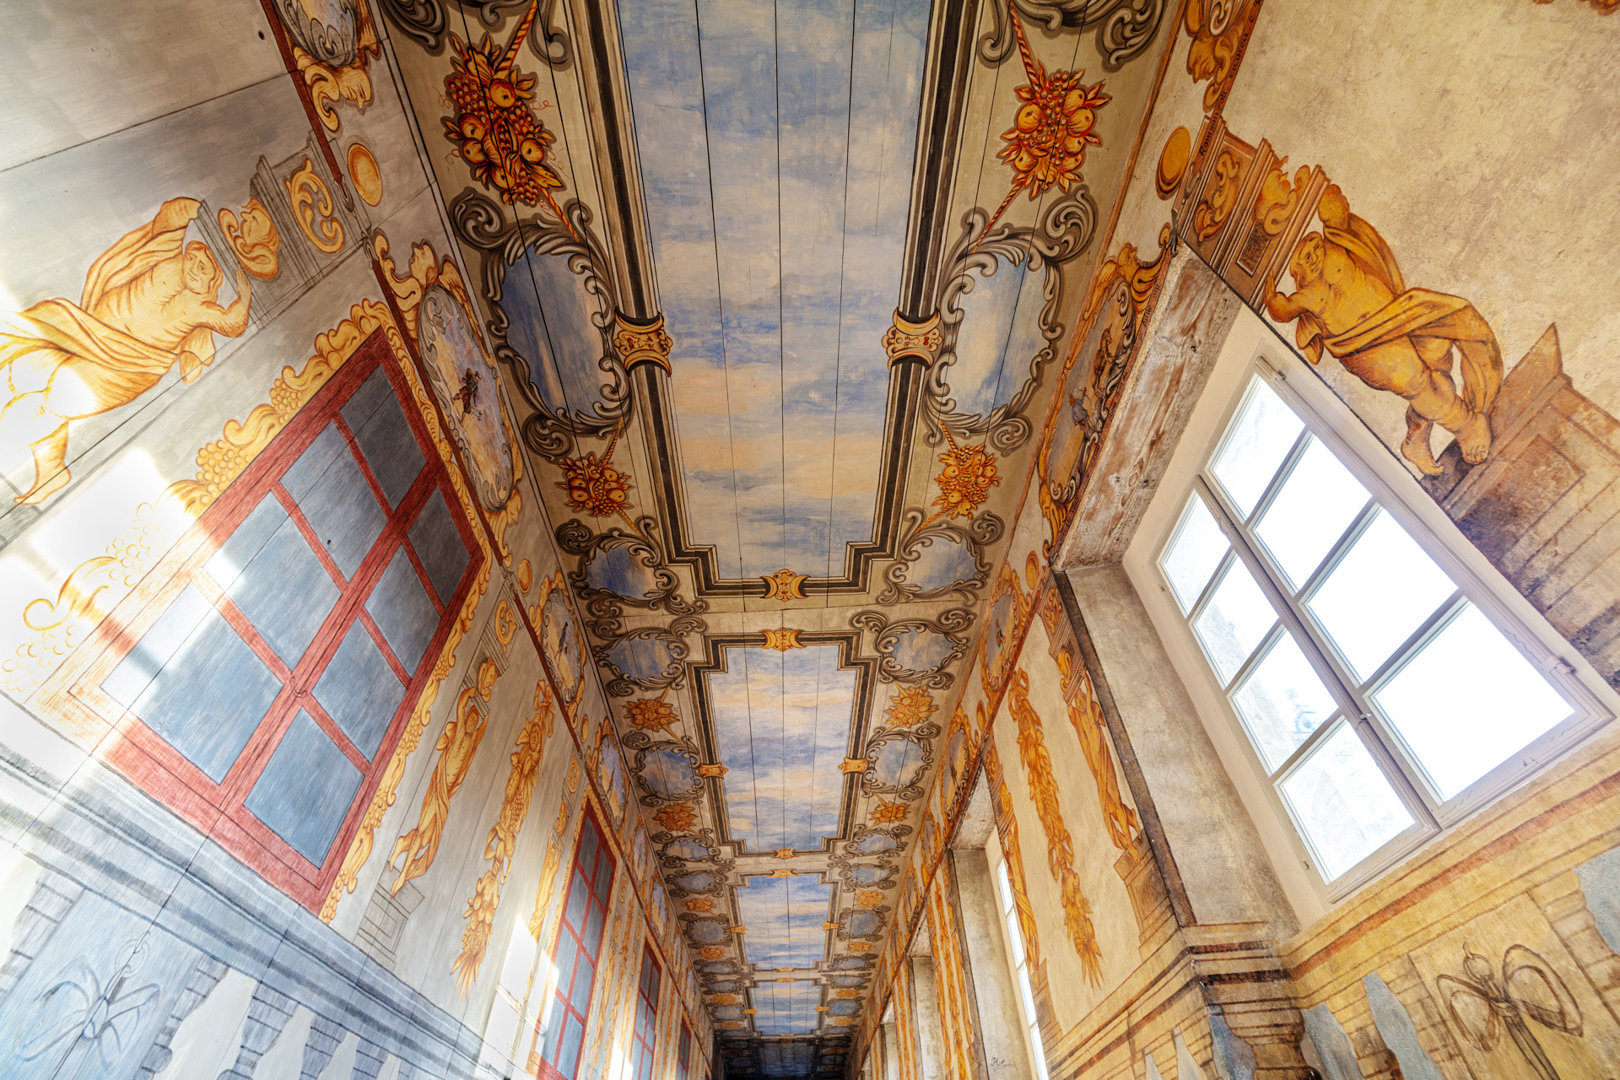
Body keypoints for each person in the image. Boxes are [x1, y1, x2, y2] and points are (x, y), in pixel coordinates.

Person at [0, 198, 252, 504]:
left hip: (130, 363)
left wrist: (244, 296)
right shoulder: (170, 259)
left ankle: (16, 451)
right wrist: (198, 210)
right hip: (93, 332)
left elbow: (233, 324)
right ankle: (52, 468)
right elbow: (171, 219)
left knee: (61, 395)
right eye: (194, 260)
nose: (196, 270)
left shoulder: (200, 306)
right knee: (28, 367)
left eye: (204, 270)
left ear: (213, 281)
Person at [1264, 184, 1502, 474]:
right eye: (1304, 259)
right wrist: (1273, 300)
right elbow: (1282, 309)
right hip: (1362, 345)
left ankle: (1415, 437)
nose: (1312, 256)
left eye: (1314, 248)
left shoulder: (1334, 248)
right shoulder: (1308, 295)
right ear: (1298, 273)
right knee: (1416, 381)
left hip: (1394, 317)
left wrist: (1332, 212)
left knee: (1437, 351)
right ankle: (1466, 426)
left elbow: (1342, 223)